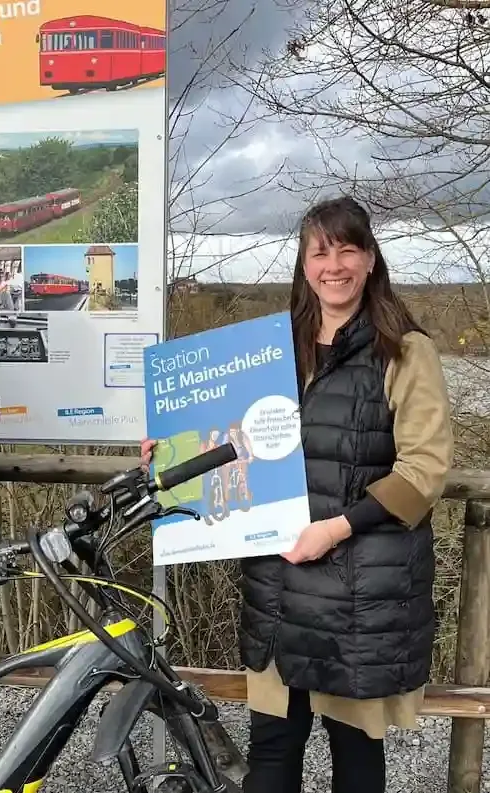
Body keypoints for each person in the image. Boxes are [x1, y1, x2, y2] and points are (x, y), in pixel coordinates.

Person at [141, 196, 454, 793]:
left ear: (369, 259)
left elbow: (425, 471)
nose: (333, 265)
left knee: (355, 762)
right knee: (271, 755)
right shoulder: (272, 349)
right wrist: (173, 451)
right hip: (279, 586)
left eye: (346, 249)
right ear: (304, 264)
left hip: (359, 595)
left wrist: (333, 530)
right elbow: (233, 443)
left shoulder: (406, 352)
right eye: (319, 251)